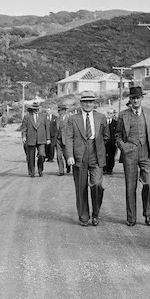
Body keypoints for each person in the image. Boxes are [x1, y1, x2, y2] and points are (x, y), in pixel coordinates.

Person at [114, 86, 150, 227]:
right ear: (130, 99)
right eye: (133, 98)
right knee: (130, 186)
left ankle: (147, 213)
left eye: (138, 98)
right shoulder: (123, 115)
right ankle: (131, 217)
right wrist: (124, 147)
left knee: (149, 183)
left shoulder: (149, 113)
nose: (135, 100)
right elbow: (117, 135)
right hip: (130, 153)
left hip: (146, 152)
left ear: (142, 99)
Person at [65, 90, 109, 226]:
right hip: (79, 156)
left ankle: (96, 214)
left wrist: (99, 147)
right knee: (81, 187)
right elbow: (69, 138)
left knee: (97, 185)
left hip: (96, 155)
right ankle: (84, 216)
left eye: (91, 101)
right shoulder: (73, 119)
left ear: (94, 103)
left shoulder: (101, 117)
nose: (88, 104)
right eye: (85, 101)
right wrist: (70, 155)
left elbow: (106, 136)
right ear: (81, 103)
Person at [20, 101, 51, 178]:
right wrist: (24, 136)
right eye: (34, 109)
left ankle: (40, 169)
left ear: (39, 109)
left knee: (42, 155)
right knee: (30, 157)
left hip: (41, 139)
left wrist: (48, 138)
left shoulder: (44, 116)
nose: (36, 110)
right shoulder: (27, 117)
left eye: (37, 109)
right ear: (32, 109)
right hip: (30, 139)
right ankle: (32, 172)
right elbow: (24, 128)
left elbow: (47, 128)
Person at [54, 103, 69, 176]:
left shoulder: (69, 119)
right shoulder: (56, 120)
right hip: (58, 140)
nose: (59, 112)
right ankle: (61, 171)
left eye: (60, 111)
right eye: (58, 111)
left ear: (64, 111)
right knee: (59, 156)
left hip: (66, 140)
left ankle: (68, 165)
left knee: (66, 156)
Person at [104, 107, 118, 174]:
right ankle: (104, 168)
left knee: (111, 156)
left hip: (112, 143)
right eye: (108, 113)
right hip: (105, 143)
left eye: (111, 113)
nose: (109, 114)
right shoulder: (103, 122)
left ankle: (110, 169)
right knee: (104, 156)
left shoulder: (115, 123)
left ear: (113, 114)